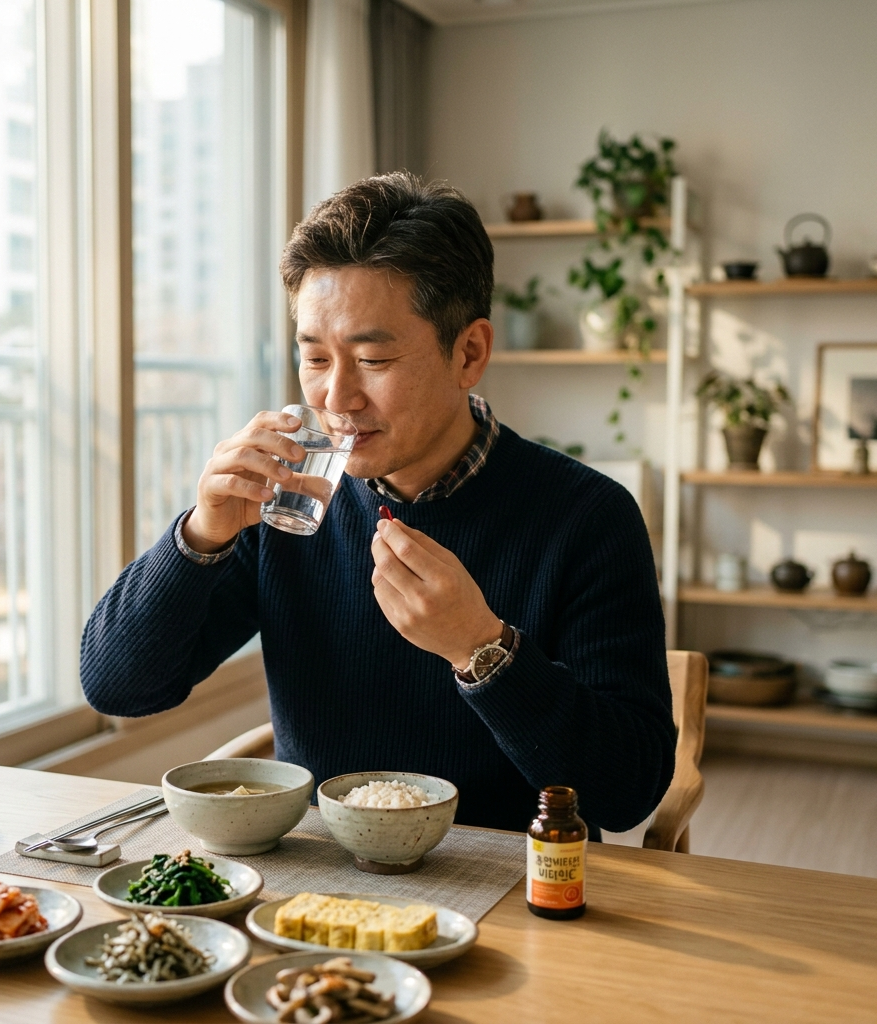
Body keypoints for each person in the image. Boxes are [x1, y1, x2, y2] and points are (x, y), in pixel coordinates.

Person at [80, 172, 676, 837]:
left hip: (513, 880)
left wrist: (482, 649)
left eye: (372, 359)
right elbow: (118, 687)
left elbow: (628, 790)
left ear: (470, 352)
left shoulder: (588, 518)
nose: (336, 398)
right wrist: (201, 536)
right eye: (315, 358)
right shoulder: (292, 499)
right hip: (323, 881)